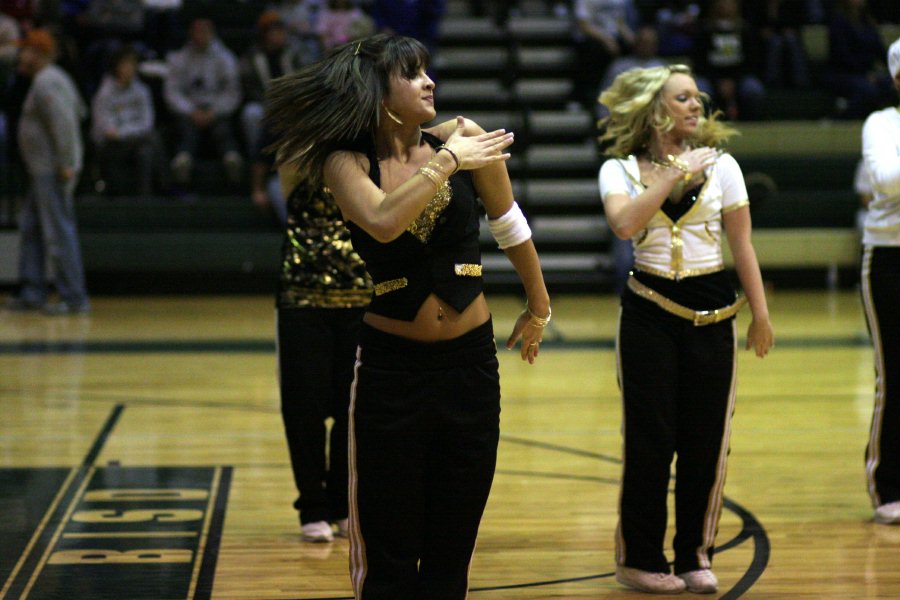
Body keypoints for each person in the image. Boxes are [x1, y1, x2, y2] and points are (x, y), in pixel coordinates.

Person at [265, 34, 550, 598]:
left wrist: (539, 304)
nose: (429, 82)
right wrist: (447, 163)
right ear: (379, 93)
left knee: (453, 538)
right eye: (412, 73)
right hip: (390, 372)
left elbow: (508, 220)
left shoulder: (465, 136)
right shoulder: (343, 162)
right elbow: (383, 222)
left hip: (470, 366)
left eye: (427, 71)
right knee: (388, 546)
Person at [597, 64, 774, 594]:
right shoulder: (619, 170)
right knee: (650, 443)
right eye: (683, 98)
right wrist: (673, 174)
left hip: (713, 315)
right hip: (648, 312)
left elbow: (741, 245)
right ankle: (639, 559)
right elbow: (625, 224)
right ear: (655, 111)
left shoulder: (725, 168)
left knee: (706, 442)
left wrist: (761, 314)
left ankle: (696, 554)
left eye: (697, 97)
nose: (696, 105)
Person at [274, 169, 372, 542]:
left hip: (361, 293)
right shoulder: (301, 148)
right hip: (302, 296)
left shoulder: (368, 144)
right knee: (304, 409)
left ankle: (343, 505)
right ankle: (312, 506)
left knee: (354, 407)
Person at [5, 29, 89, 315]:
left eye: (25, 50)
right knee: (32, 228)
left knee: (58, 232)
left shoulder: (47, 81)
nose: (20, 55)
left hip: (52, 171)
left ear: (39, 53)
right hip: (41, 170)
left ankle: (75, 297)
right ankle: (32, 292)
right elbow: (77, 112)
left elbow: (64, 123)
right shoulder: (49, 79)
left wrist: (66, 163)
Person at [859, 37, 900, 526]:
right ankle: (888, 484)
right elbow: (886, 179)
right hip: (890, 258)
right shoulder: (881, 123)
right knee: (895, 375)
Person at [163, 18, 243, 185]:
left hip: (216, 108)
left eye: (204, 32)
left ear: (211, 34)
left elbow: (232, 92)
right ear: (190, 34)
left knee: (222, 128)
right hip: (190, 109)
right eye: (196, 32)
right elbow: (172, 91)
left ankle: (231, 158)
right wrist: (190, 110)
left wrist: (215, 111)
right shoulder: (180, 58)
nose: (200, 36)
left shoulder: (225, 57)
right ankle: (182, 160)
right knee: (186, 128)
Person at [91, 45, 165, 196]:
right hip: (110, 146)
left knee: (146, 151)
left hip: (134, 140)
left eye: (133, 64)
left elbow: (147, 123)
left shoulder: (142, 91)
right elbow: (106, 130)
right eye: (126, 64)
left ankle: (144, 198)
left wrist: (124, 132)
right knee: (153, 138)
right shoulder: (104, 93)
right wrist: (126, 133)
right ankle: (168, 186)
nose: (130, 69)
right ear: (117, 67)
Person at [826, 0, 893, 119]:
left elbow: (880, 52)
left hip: (868, 74)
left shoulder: (867, 22)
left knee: (891, 83)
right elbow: (842, 56)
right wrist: (865, 74)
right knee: (868, 90)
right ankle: (840, 118)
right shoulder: (838, 23)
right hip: (843, 74)